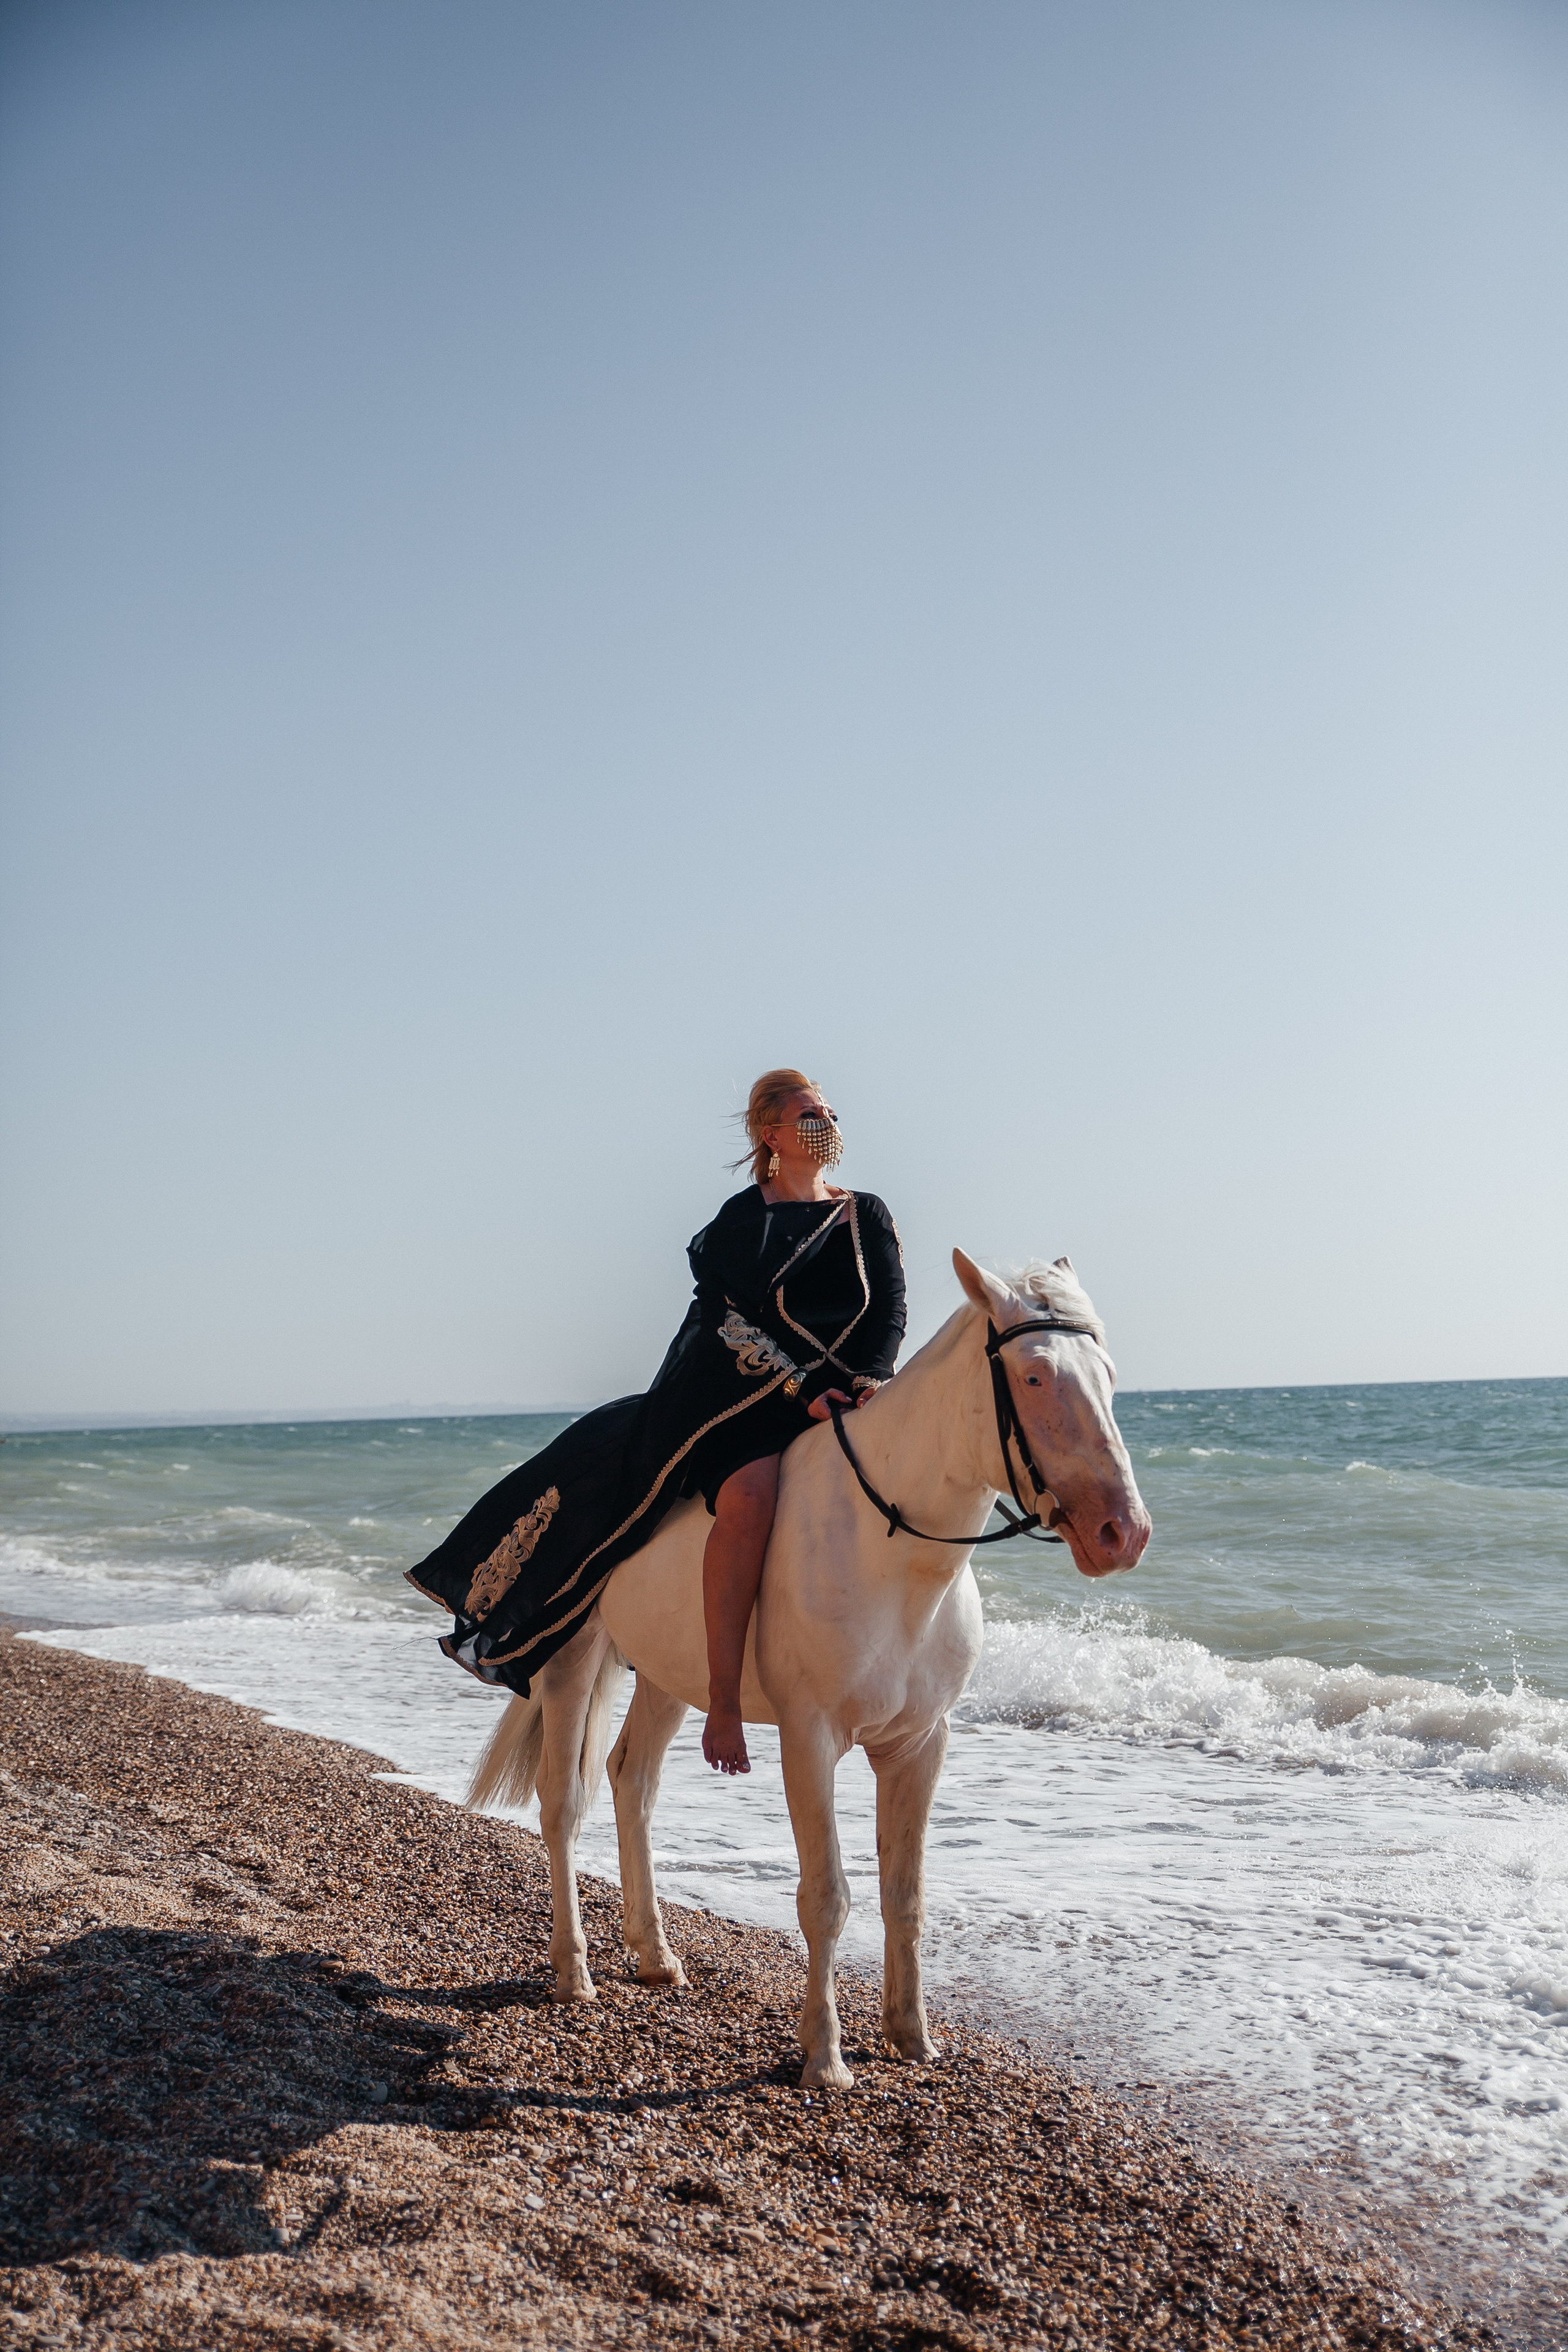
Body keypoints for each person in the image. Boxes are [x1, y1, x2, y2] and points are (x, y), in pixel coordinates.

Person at [407, 1071, 907, 1779]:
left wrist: (868, 1382)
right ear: (771, 1135)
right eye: (806, 1114)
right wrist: (804, 1390)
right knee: (751, 1499)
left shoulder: (867, 1214)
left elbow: (887, 1308)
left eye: (827, 1109)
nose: (823, 1120)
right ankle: (727, 1704)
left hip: (849, 1396)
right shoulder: (743, 1219)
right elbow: (731, 1323)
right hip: (741, 1398)